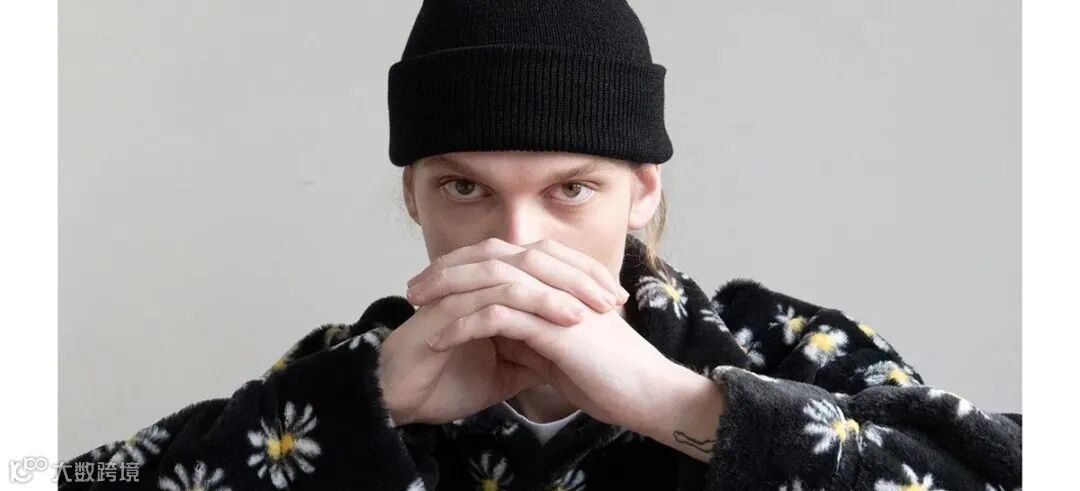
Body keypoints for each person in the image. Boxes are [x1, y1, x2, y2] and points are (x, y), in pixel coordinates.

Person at [59, 1, 1021, 490]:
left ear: (642, 191)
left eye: (571, 189)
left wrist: (678, 405)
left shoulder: (785, 344)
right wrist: (363, 409)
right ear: (414, 196)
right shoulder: (338, 377)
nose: (517, 241)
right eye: (466, 188)